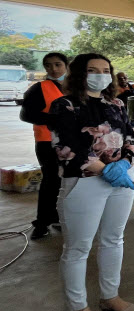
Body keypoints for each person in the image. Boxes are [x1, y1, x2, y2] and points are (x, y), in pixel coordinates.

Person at [50, 53, 134, 311]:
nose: (100, 75)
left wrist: (125, 163)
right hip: (85, 181)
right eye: (92, 70)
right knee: (78, 248)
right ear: (79, 73)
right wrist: (103, 168)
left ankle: (110, 296)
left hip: (121, 179)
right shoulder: (64, 105)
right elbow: (65, 146)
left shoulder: (115, 103)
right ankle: (78, 309)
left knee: (114, 238)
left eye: (105, 70)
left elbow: (130, 136)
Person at [19, 52, 68, 239]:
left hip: (70, 143)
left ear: (66, 65)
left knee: (67, 182)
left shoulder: (72, 87)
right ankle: (41, 223)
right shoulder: (39, 88)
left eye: (58, 64)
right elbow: (25, 115)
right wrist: (55, 120)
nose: (53, 69)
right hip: (47, 142)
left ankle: (56, 216)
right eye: (48, 65)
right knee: (51, 182)